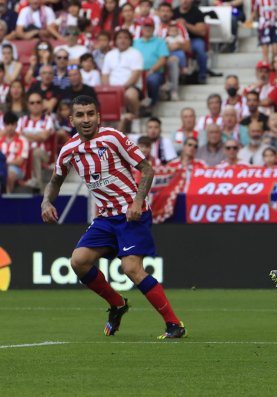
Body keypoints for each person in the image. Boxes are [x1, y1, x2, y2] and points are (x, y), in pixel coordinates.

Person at [40, 95, 187, 339]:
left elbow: (147, 169)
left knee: (130, 268)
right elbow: (55, 181)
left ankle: (174, 324)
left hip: (131, 214)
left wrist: (138, 202)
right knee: (78, 261)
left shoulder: (113, 138)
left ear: (98, 116)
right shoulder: (69, 150)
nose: (86, 119)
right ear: (71, 119)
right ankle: (118, 304)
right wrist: (46, 201)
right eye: (80, 115)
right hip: (106, 218)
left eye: (90, 114)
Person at [133, 17, 169, 108]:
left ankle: (152, 105)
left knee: (152, 81)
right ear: (142, 28)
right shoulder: (135, 42)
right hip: (136, 72)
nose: (148, 29)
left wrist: (151, 70)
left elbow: (163, 59)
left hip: (154, 72)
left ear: (153, 28)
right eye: (145, 26)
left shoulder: (160, 42)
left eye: (150, 26)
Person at [173, 0, 207, 85]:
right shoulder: (173, 12)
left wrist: (186, 25)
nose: (185, 1)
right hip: (177, 39)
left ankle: (202, 76)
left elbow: (202, 31)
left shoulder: (197, 12)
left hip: (194, 39)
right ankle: (179, 78)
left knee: (201, 50)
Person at [0, 111, 28, 193]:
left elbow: (19, 162)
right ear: (4, 125)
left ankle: (8, 197)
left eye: (12, 124)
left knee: (9, 173)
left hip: (18, 169)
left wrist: (4, 164)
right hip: (2, 167)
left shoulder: (22, 140)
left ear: (16, 125)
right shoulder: (0, 140)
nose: (10, 127)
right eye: (7, 124)